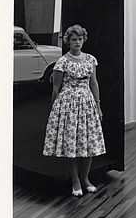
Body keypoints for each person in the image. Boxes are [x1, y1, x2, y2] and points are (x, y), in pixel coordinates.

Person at [43, 25, 106, 197]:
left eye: (79, 39)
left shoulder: (91, 60)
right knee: (71, 143)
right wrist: (54, 111)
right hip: (67, 105)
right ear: (68, 41)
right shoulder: (62, 62)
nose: (77, 42)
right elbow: (56, 88)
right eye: (73, 39)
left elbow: (94, 83)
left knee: (88, 142)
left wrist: (98, 106)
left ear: (83, 40)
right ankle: (75, 180)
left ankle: (85, 178)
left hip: (87, 104)